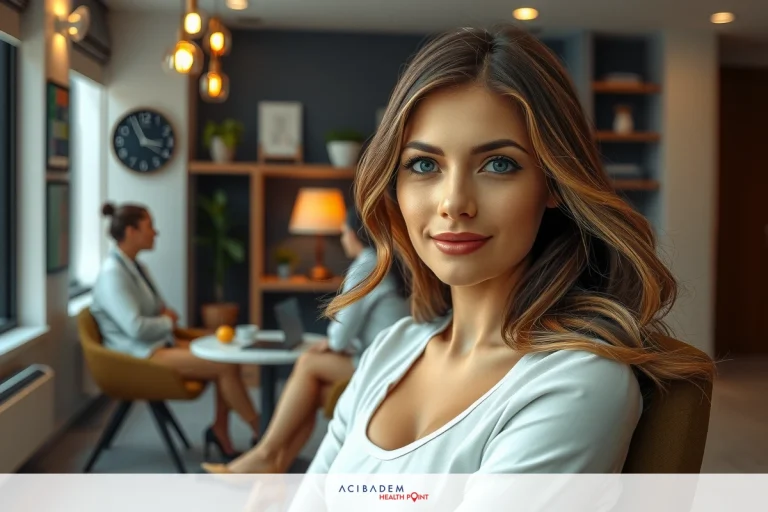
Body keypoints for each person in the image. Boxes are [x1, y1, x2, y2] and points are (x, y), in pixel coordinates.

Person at [301, 24, 716, 475]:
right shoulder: (390, 349)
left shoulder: (574, 381)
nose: (454, 203)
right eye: (424, 164)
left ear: (553, 182)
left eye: (499, 164)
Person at [201, 206, 410, 474]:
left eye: (343, 232)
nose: (342, 238)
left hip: (384, 366)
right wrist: (337, 345)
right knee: (311, 390)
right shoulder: (385, 259)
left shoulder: (367, 263)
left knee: (308, 362)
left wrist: (334, 345)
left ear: (355, 234)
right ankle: (274, 467)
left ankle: (263, 455)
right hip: (394, 358)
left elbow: (340, 334)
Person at [90, 202, 261, 461]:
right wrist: (167, 322)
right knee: (224, 366)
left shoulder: (137, 267)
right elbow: (137, 327)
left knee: (228, 359)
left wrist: (164, 320)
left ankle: (221, 431)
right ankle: (264, 432)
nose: (155, 233)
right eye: (149, 226)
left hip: (157, 344)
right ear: (131, 231)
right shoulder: (113, 274)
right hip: (139, 356)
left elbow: (159, 309)